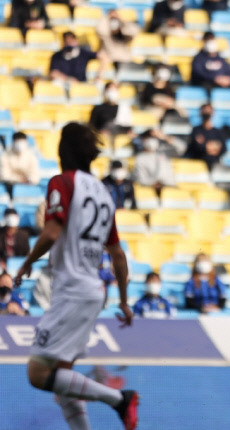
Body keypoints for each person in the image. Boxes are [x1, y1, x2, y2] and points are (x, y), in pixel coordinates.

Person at [13, 122, 138, 430]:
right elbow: (118, 255)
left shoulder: (62, 182)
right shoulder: (104, 195)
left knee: (38, 374)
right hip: (93, 291)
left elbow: (52, 231)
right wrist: (123, 301)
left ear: (62, 151)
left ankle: (119, 399)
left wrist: (28, 261)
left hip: (71, 291)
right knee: (62, 378)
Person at [185, 103, 228, 170]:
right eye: (204, 110)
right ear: (200, 113)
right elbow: (197, 147)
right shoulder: (196, 130)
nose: (206, 113)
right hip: (198, 164)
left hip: (214, 164)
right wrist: (213, 147)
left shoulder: (218, 132)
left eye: (208, 111)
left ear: (212, 113)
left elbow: (223, 149)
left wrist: (206, 145)